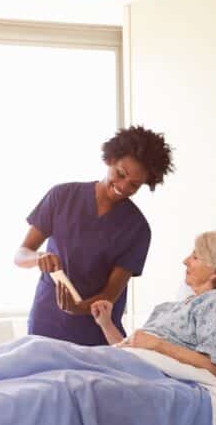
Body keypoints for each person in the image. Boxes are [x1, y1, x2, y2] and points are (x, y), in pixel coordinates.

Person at [14, 126, 174, 346]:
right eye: (120, 174)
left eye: (134, 185)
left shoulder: (137, 229)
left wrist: (77, 308)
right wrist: (39, 258)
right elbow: (20, 255)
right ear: (110, 159)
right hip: (47, 320)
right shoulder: (62, 196)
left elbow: (109, 295)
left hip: (96, 329)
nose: (122, 187)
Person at [92, 230, 216, 379]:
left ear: (215, 271)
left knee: (69, 371)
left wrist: (157, 344)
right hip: (126, 363)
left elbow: (215, 369)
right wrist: (106, 324)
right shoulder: (170, 308)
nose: (185, 261)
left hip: (148, 375)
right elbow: (132, 347)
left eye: (195, 257)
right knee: (67, 361)